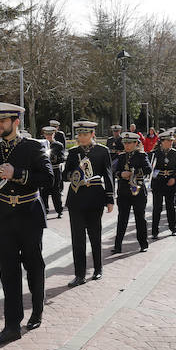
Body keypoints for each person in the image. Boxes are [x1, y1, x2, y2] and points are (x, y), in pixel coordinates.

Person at [0, 102, 52, 344]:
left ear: (16, 122)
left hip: (29, 215)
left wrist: (17, 174)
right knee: (8, 273)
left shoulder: (33, 147)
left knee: (34, 267)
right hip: (3, 216)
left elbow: (48, 179)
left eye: (3, 121)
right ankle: (11, 325)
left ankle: (37, 308)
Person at [63, 120, 114, 287]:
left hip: (95, 198)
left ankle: (98, 268)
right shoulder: (73, 152)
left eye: (85, 134)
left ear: (92, 134)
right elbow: (65, 175)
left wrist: (110, 198)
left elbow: (108, 175)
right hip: (76, 199)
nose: (82, 137)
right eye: (79, 134)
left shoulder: (102, 151)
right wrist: (75, 175)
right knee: (77, 239)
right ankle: (79, 274)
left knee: (95, 236)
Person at [112, 131, 151, 254]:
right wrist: (120, 174)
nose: (127, 145)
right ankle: (118, 246)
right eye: (125, 143)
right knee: (122, 219)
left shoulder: (141, 155)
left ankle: (143, 244)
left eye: (129, 143)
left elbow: (148, 169)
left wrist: (133, 173)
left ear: (136, 143)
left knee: (140, 218)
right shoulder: (121, 156)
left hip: (138, 191)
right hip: (123, 192)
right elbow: (114, 171)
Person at [149, 131, 176, 238]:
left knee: (171, 206)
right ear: (162, 142)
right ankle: (154, 231)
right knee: (157, 207)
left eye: (171, 140)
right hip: (158, 182)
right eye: (168, 140)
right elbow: (151, 168)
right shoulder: (155, 153)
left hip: (170, 182)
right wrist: (154, 176)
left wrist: (174, 178)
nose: (171, 142)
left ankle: (173, 228)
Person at [40, 126, 64, 219]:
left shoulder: (58, 145)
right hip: (45, 170)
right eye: (47, 134)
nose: (49, 136)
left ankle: (59, 210)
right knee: (44, 192)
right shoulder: (41, 144)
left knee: (55, 192)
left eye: (51, 134)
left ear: (54, 134)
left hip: (55, 170)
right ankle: (45, 210)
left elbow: (62, 158)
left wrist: (55, 158)